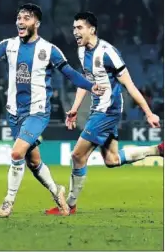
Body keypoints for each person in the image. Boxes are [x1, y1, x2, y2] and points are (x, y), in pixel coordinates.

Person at [0, 3, 105, 218]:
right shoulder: (8, 45)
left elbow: (70, 73)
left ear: (37, 23)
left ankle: (8, 202)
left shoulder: (49, 50)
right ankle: (57, 191)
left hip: (37, 112)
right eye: (18, 18)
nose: (20, 22)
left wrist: (92, 86)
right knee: (33, 162)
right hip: (14, 113)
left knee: (16, 153)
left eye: (26, 18)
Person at [45, 11, 164, 215]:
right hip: (97, 108)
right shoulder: (82, 51)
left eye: (79, 28)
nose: (75, 32)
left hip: (107, 110)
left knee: (77, 155)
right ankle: (159, 150)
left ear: (92, 29)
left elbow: (130, 86)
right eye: (74, 28)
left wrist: (148, 113)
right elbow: (85, 82)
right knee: (111, 159)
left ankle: (69, 205)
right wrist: (74, 109)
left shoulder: (109, 53)